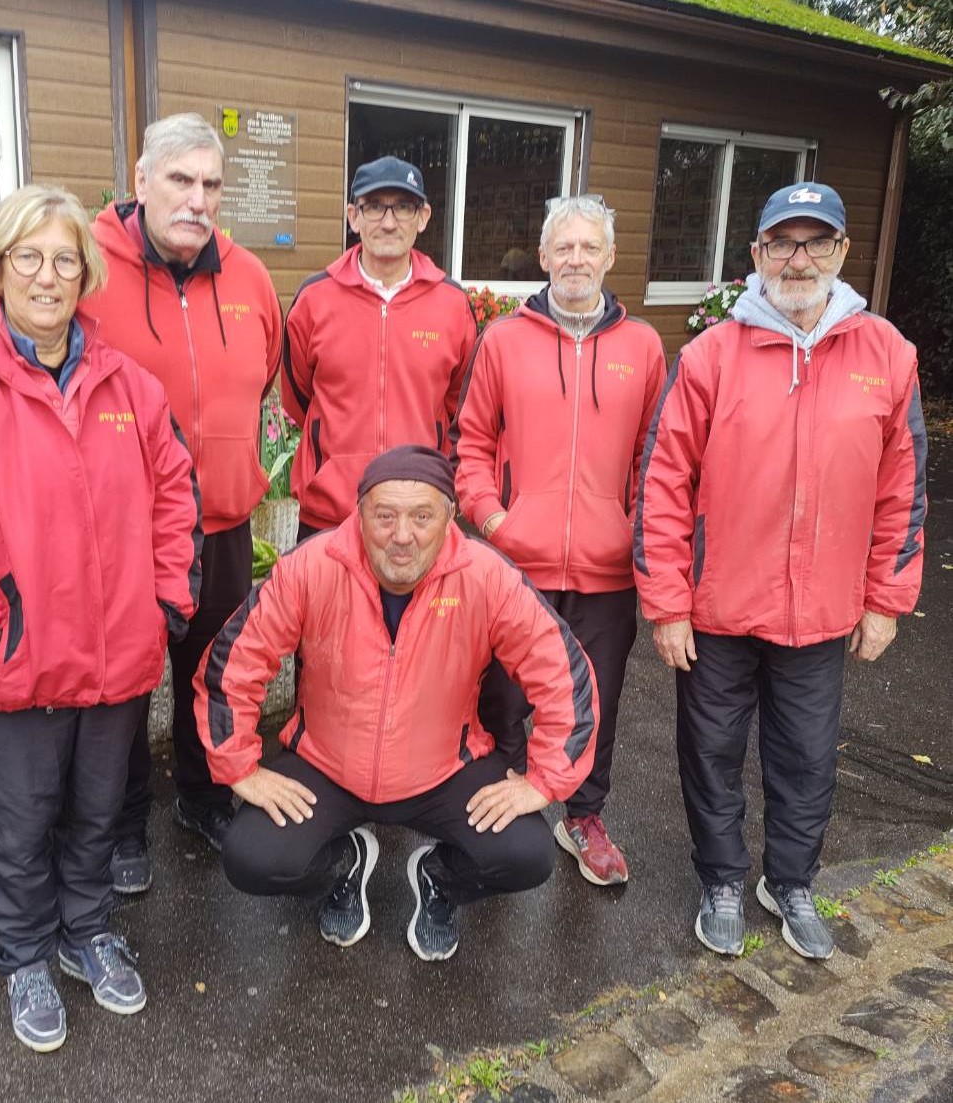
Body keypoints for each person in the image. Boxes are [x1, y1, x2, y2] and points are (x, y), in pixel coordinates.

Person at [0, 184, 200, 1051]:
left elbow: (178, 492)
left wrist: (167, 596)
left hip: (114, 657)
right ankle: (25, 952)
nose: (48, 275)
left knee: (98, 811)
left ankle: (87, 930)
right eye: (29, 256)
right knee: (19, 825)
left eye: (65, 258)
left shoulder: (128, 384)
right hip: (14, 661)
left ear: (85, 272)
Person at [634, 181, 927, 960]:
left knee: (804, 757)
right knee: (711, 753)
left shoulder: (887, 355)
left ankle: (789, 881)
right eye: (781, 243)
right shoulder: (709, 356)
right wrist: (666, 599)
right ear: (756, 255)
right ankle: (723, 878)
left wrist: (886, 599)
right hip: (717, 608)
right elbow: (662, 482)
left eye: (815, 242)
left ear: (840, 253)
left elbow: (903, 488)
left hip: (822, 612)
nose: (798, 259)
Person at [195, 446, 600, 961]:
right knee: (250, 856)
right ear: (358, 513)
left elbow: (564, 675)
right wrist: (239, 767)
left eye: (422, 516)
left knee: (527, 854)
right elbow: (235, 662)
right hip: (328, 766)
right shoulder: (313, 567)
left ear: (450, 517)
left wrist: (544, 780)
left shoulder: (484, 575)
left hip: (441, 771)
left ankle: (437, 880)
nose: (402, 535)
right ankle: (345, 866)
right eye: (384, 515)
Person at [87, 112, 282, 878]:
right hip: (126, 532)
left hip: (223, 522)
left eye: (210, 184)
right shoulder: (91, 269)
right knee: (126, 683)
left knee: (214, 671)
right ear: (140, 181)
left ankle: (201, 795)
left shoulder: (249, 277)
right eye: (180, 180)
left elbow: (265, 377)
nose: (197, 200)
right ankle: (123, 824)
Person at [452, 195, 666, 887]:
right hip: (517, 564)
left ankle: (583, 815)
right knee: (505, 699)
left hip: (607, 571)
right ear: (542, 258)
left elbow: (654, 456)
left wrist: (633, 532)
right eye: (562, 247)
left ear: (609, 257)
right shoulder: (504, 340)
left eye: (588, 247)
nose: (575, 258)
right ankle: (506, 807)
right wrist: (493, 522)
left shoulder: (643, 347)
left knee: (592, 700)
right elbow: (471, 442)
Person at [281, 156, 477, 541]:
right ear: (353, 216)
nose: (389, 222)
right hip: (330, 515)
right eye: (374, 207)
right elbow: (299, 398)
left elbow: (460, 406)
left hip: (417, 516)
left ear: (422, 218)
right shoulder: (314, 300)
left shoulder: (452, 305)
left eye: (403, 207)